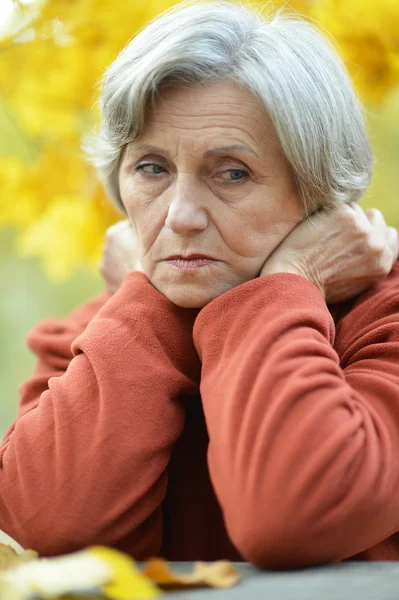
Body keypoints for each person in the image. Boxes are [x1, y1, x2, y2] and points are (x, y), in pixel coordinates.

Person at [1, 0, 399, 569]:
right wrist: (149, 303)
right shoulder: (96, 328)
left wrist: (287, 284)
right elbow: (44, 527)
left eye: (232, 172)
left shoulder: (387, 320)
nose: (180, 215)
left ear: (318, 193)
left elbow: (292, 516)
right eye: (153, 168)